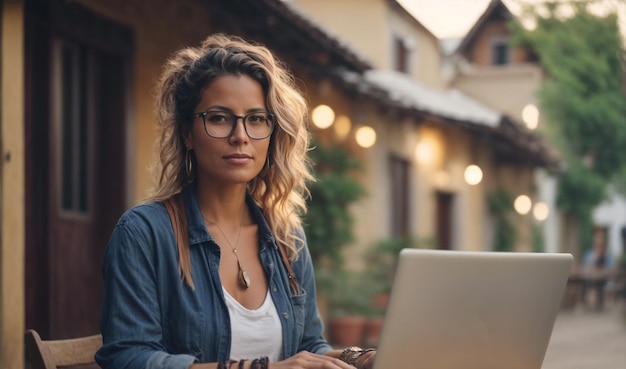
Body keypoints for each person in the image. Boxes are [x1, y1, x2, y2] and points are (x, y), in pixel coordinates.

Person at [95, 34, 376, 369]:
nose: (240, 135)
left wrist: (361, 358)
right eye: (219, 117)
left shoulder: (287, 239)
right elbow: (128, 358)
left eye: (257, 119)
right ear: (187, 133)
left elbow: (307, 344)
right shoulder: (144, 234)